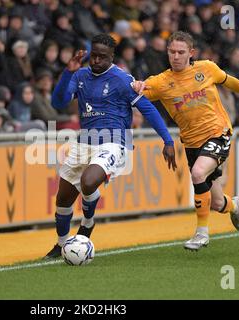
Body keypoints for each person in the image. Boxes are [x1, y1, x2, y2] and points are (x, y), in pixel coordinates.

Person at [44, 34, 176, 259]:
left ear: (112, 57)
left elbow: (148, 109)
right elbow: (58, 102)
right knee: (63, 199)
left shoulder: (122, 80)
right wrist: (68, 73)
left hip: (115, 142)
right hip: (84, 142)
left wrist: (168, 140)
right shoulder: (81, 75)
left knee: (88, 181)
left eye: (102, 57)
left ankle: (87, 224)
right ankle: (62, 245)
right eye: (93, 56)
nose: (96, 61)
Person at [132, 31, 239, 251]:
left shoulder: (206, 69)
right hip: (191, 143)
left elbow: (229, 81)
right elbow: (138, 91)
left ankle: (201, 233)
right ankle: (233, 205)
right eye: (172, 52)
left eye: (181, 52)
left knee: (198, 173)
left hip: (218, 132)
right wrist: (135, 85)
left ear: (191, 53)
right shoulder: (161, 82)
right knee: (218, 202)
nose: (176, 56)